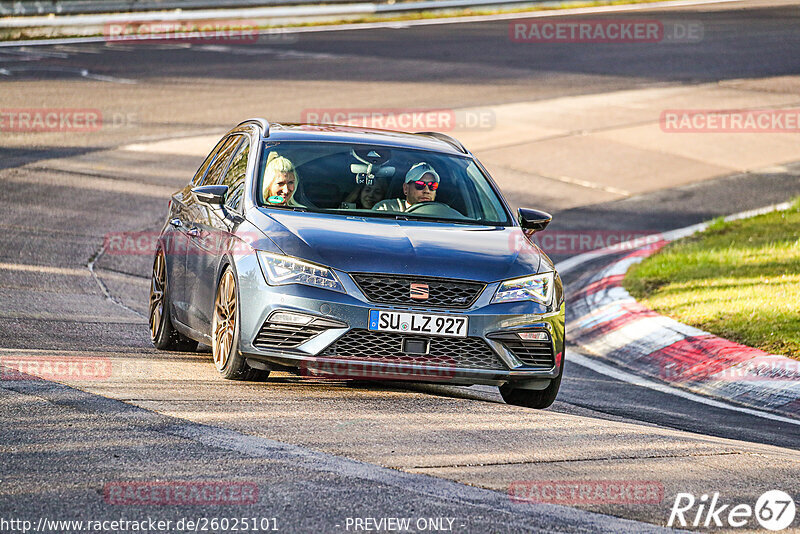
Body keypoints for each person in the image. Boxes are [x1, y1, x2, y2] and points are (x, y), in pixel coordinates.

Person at [373, 162, 439, 212]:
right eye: (420, 185)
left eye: (432, 186)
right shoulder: (386, 209)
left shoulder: (443, 214)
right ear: (406, 188)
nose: (427, 191)